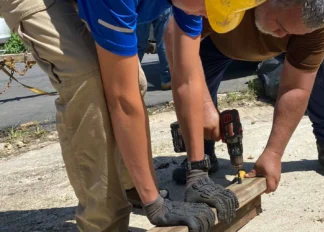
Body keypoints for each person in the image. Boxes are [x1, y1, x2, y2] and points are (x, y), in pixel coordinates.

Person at [0, 0, 266, 231]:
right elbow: (122, 101)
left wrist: (197, 171)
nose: (209, 16)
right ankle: (104, 225)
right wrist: (155, 204)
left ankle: (133, 187)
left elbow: (187, 78)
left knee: (132, 81)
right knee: (88, 80)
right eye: (209, 7)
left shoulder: (200, 3)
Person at [167, 0, 324, 192]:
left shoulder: (321, 15)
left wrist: (274, 153)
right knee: (191, 78)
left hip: (280, 44)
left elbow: (296, 88)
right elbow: (173, 35)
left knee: (323, 70)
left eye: (290, 31)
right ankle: (201, 154)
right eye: (281, 26)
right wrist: (204, 104)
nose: (283, 34)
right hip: (216, 40)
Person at [137, 8, 173, 90]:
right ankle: (167, 79)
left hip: (143, 5)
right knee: (164, 42)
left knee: (139, 44)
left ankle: (131, 78)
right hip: (163, 5)